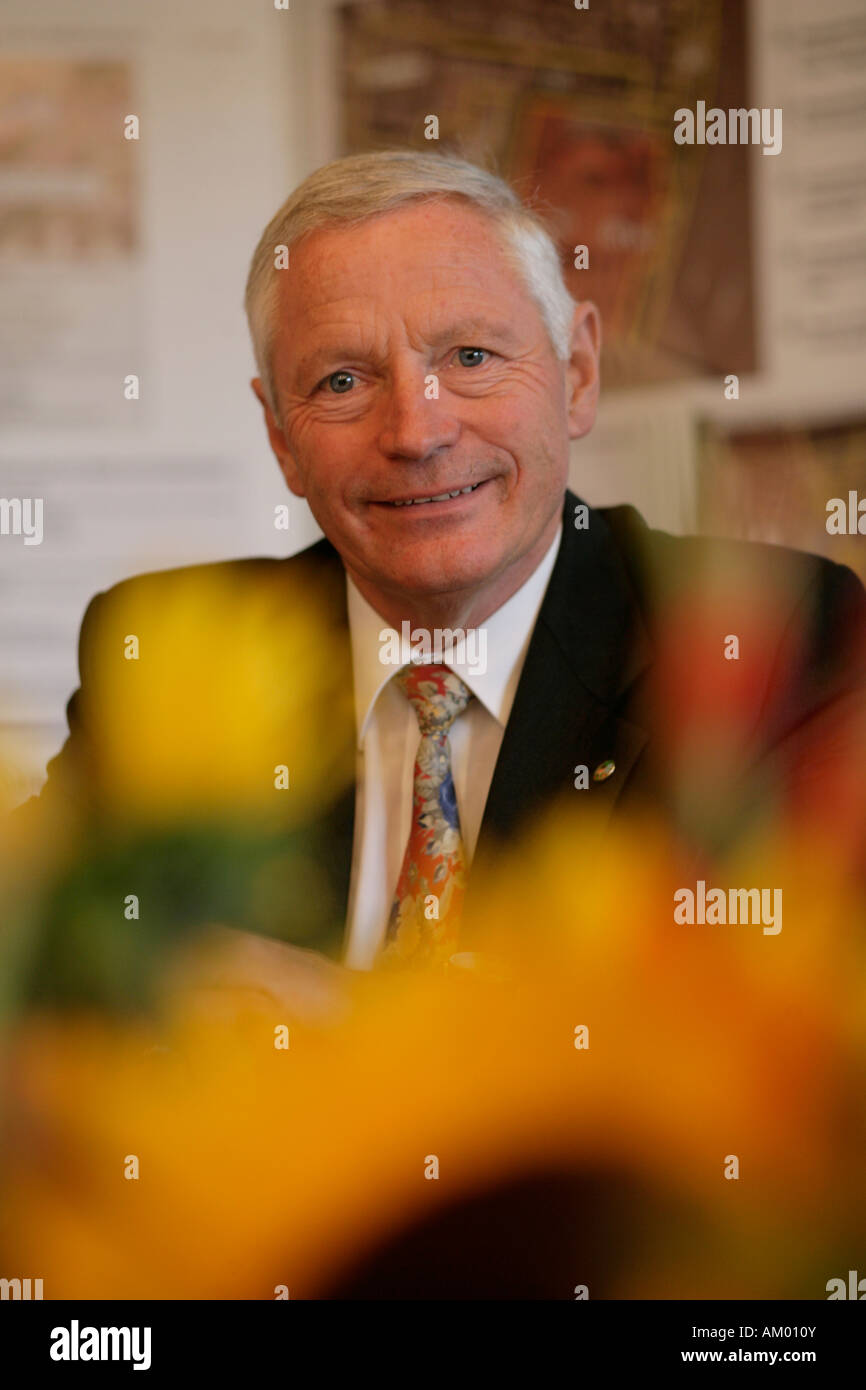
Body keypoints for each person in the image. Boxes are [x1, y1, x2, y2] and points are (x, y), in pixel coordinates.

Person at [12, 150, 866, 986]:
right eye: (344, 380)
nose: (416, 434)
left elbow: (800, 1026)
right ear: (281, 438)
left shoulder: (761, 637)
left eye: (469, 359)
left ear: (576, 375)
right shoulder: (182, 650)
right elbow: (42, 959)